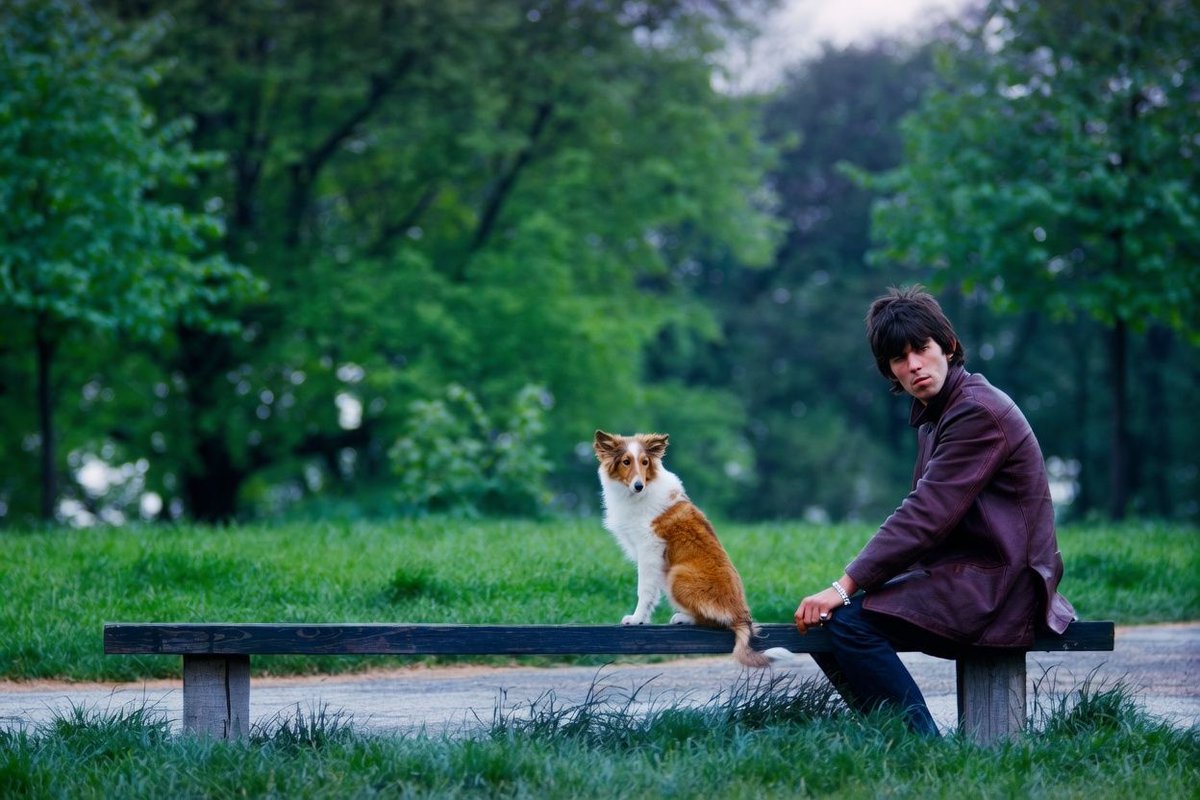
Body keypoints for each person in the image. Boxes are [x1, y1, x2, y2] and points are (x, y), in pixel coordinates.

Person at [793, 285, 1075, 735]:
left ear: (948, 346)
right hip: (973, 576)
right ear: (890, 371)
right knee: (834, 621)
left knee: (846, 622)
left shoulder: (977, 412)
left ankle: (920, 747)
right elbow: (930, 520)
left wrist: (845, 586)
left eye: (921, 349)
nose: (914, 366)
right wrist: (858, 589)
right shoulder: (938, 413)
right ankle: (894, 736)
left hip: (1002, 586)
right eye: (899, 359)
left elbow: (925, 515)